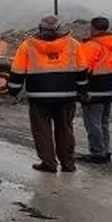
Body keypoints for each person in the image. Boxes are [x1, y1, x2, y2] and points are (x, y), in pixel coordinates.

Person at [8, 15, 89, 173]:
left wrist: (13, 91)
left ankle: (48, 163)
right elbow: (82, 72)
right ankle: (68, 164)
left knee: (42, 131)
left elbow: (17, 72)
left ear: (40, 28)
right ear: (59, 28)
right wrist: (83, 92)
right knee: (65, 130)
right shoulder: (73, 45)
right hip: (66, 97)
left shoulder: (28, 46)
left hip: (39, 98)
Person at [77, 16, 112, 164]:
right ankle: (104, 150)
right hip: (109, 90)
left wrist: (80, 89)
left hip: (93, 90)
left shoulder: (91, 46)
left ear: (93, 27)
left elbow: (82, 69)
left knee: (93, 123)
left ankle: (97, 153)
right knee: (103, 122)